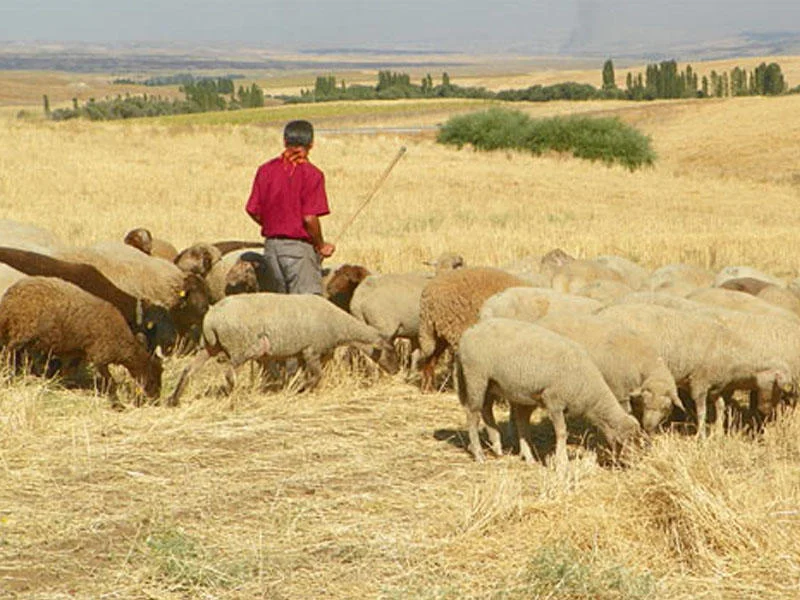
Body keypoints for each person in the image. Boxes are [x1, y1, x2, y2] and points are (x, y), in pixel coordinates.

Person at [245, 120, 335, 295]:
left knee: (280, 309)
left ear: (285, 142)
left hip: (271, 251)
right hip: (298, 251)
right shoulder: (312, 174)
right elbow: (309, 218)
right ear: (311, 144)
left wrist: (272, 225)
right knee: (306, 308)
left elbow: (252, 209)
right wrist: (321, 245)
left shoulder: (265, 170)